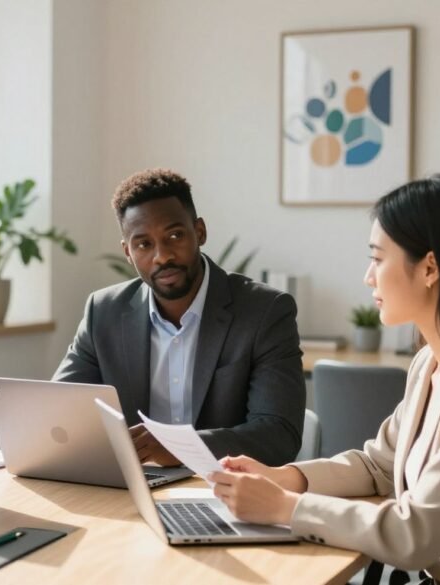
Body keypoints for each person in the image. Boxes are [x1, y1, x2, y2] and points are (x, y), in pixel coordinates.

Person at [210, 174, 440, 583]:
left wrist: (285, 507)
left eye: (378, 258)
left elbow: (414, 534)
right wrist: (285, 477)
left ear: (430, 268)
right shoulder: (429, 364)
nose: (369, 277)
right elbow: (378, 466)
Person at [54, 168, 305, 465]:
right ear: (127, 252)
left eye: (174, 235)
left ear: (199, 232)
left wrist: (180, 447)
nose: (162, 256)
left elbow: (279, 435)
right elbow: (59, 413)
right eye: (143, 244)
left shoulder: (264, 311)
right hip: (133, 486)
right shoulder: (104, 312)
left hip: (224, 489)